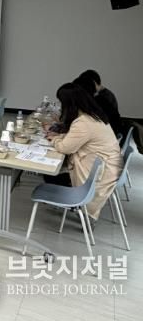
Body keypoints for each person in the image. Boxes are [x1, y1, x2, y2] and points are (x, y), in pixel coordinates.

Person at [44, 83, 123, 221]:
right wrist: (60, 137)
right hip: (107, 169)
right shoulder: (94, 115)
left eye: (62, 102)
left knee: (50, 175)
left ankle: (70, 203)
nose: (61, 106)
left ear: (70, 104)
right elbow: (77, 139)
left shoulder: (83, 122)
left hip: (98, 177)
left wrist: (54, 139)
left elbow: (65, 148)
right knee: (55, 171)